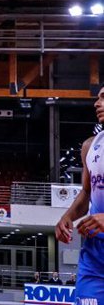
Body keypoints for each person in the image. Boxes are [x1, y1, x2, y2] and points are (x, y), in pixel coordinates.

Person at [55, 85, 104, 304]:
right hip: (95, 253)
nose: (97, 103)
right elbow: (86, 191)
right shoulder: (90, 146)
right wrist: (68, 216)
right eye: (97, 97)